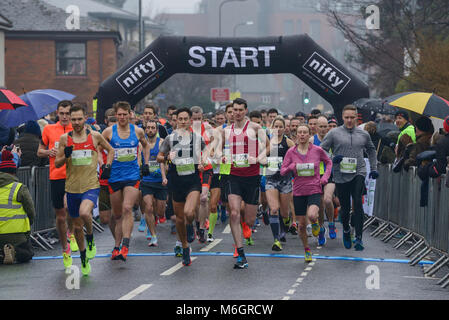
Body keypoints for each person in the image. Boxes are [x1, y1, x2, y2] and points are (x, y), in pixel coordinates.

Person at [55, 104, 114, 275]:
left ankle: (91, 238)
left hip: (91, 185)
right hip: (72, 187)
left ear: (85, 118)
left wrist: (108, 165)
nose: (76, 122)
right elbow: (58, 163)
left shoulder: (95, 136)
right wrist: (65, 155)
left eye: (79, 119)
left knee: (85, 213)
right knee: (77, 227)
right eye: (73, 119)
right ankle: (83, 257)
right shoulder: (65, 139)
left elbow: (110, 150)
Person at [218, 98, 269, 269]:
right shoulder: (227, 131)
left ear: (246, 111)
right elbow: (218, 149)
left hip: (252, 177)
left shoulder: (255, 128)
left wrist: (259, 158)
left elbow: (269, 146)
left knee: (249, 219)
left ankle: (258, 211)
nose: (237, 113)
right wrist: (221, 156)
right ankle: (240, 253)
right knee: (234, 213)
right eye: (234, 110)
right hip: (234, 176)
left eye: (240, 110)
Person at [320, 105, 378, 251]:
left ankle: (359, 238)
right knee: (345, 208)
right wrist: (333, 158)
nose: (350, 120)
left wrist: (374, 168)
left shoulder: (363, 134)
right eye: (347, 117)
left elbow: (371, 150)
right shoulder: (334, 133)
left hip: (359, 171)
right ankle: (346, 230)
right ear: (342, 117)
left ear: (356, 117)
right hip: (341, 174)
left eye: (352, 117)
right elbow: (321, 150)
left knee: (358, 201)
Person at [157, 107, 207, 266]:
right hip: (176, 181)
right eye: (180, 119)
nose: (183, 121)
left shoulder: (197, 138)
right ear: (176, 121)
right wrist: (165, 157)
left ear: (190, 121)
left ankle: (191, 224)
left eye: (186, 119)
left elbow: (205, 153)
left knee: (189, 212)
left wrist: (202, 162)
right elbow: (159, 156)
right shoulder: (170, 139)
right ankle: (185, 247)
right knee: (179, 218)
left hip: (192, 181)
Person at [102, 101, 150, 262]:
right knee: (117, 215)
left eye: (125, 114)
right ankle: (117, 246)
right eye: (119, 114)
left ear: (130, 114)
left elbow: (146, 146)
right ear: (115, 115)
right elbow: (97, 146)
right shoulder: (109, 131)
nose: (122, 117)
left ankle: (126, 246)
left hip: (132, 175)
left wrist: (145, 163)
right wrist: (103, 165)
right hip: (114, 177)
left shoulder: (137, 131)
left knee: (127, 208)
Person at [280, 124, 332, 262]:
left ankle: (317, 225)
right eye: (300, 132)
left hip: (314, 189)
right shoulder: (291, 152)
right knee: (302, 225)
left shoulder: (317, 150)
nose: (302, 135)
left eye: (305, 132)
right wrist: (292, 166)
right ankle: (306, 249)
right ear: (296, 135)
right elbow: (283, 170)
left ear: (309, 135)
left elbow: (329, 162)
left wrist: (325, 177)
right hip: (298, 191)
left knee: (312, 215)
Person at [37, 100, 76, 268]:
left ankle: (72, 233)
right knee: (60, 216)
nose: (65, 116)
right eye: (62, 113)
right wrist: (48, 152)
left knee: (70, 208)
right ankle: (65, 248)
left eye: (68, 113)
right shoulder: (48, 129)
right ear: (57, 114)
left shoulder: (78, 130)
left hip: (74, 176)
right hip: (56, 176)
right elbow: (39, 151)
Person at [264, 117, 295, 251]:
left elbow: (296, 158)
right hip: (271, 179)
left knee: (284, 213)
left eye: (280, 126)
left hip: (285, 180)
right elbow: (262, 156)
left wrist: (288, 166)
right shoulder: (269, 143)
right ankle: (276, 240)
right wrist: (263, 161)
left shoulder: (288, 142)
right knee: (274, 209)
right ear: (272, 128)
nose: (277, 129)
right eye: (275, 126)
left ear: (284, 128)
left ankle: (285, 223)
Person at [0, 150, 35, 265]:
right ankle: (15, 252)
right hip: (16, 233)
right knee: (27, 254)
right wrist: (29, 224)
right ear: (14, 173)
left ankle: (3, 253)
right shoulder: (19, 188)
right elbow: (31, 210)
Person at [140, 120, 168, 247]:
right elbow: (138, 160)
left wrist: (165, 175)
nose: (150, 130)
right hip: (146, 181)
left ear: (156, 130)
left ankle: (156, 218)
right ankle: (153, 236)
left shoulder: (161, 142)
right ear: (145, 130)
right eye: (148, 128)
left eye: (153, 128)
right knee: (149, 208)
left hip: (160, 181)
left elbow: (165, 161)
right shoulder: (141, 144)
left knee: (160, 211)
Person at [311, 115, 337, 245]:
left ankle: (331, 222)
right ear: (316, 127)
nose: (322, 129)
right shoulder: (312, 140)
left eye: (325, 127)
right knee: (320, 205)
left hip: (330, 174)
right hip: (316, 176)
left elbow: (338, 153)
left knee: (327, 199)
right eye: (320, 126)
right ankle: (321, 228)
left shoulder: (332, 140)